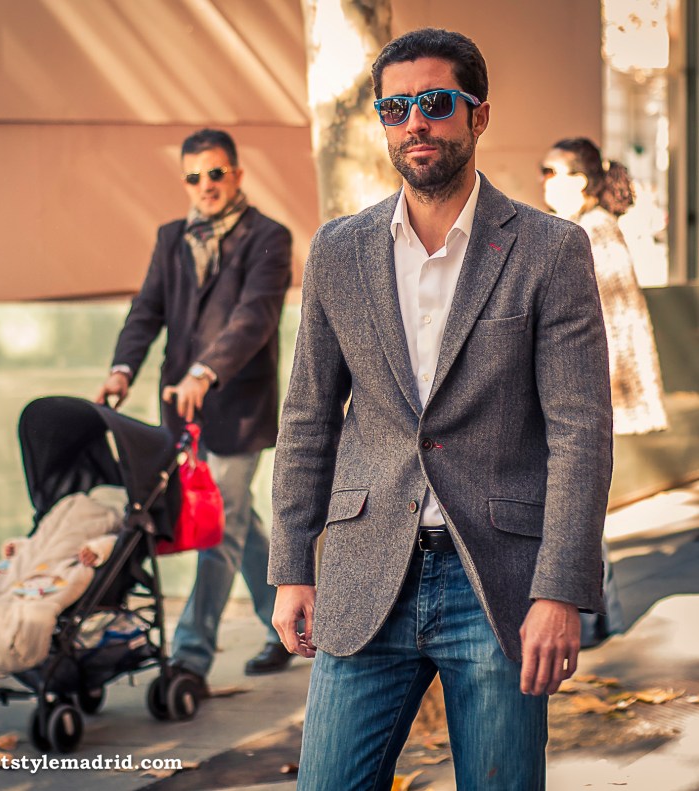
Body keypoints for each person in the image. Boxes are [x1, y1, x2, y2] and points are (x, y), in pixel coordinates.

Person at [269, 28, 613, 790]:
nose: (413, 123)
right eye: (395, 108)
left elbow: (579, 432)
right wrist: (292, 565)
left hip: (492, 583)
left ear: (477, 115)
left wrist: (559, 588)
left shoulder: (549, 250)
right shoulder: (337, 250)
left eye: (434, 103)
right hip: (364, 578)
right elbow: (307, 418)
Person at [96, 129, 294, 689]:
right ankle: (288, 626)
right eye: (193, 176)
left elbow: (253, 317)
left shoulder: (269, 238)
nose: (204, 186)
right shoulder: (170, 237)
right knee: (241, 524)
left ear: (236, 174)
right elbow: (147, 310)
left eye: (214, 173)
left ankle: (189, 657)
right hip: (181, 413)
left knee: (219, 529)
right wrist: (122, 370)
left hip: (238, 410)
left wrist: (205, 371)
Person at [541, 137, 670, 646]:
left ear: (581, 180)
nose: (547, 181)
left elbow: (607, 326)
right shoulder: (589, 228)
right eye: (544, 171)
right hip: (592, 389)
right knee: (579, 502)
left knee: (576, 501)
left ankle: (591, 617)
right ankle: (600, 615)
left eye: (555, 171)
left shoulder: (588, 232)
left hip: (587, 392)